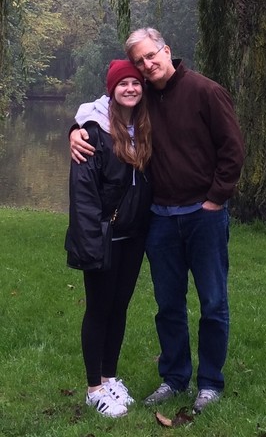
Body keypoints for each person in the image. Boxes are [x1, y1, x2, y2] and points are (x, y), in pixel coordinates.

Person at [69, 28, 245, 414]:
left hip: (204, 215)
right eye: (140, 62)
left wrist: (215, 200)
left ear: (166, 50)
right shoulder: (145, 95)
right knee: (168, 305)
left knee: (213, 302)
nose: (148, 66)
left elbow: (233, 150)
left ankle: (210, 382)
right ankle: (175, 377)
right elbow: (100, 107)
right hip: (160, 219)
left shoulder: (205, 91)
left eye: (152, 56)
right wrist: (75, 131)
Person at [65, 59, 152, 418]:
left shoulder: (144, 126)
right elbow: (83, 194)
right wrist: (89, 245)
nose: (130, 88)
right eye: (123, 84)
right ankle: (93, 388)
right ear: (111, 90)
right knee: (99, 310)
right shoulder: (92, 131)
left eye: (136, 83)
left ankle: (110, 376)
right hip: (103, 236)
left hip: (133, 236)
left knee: (119, 308)